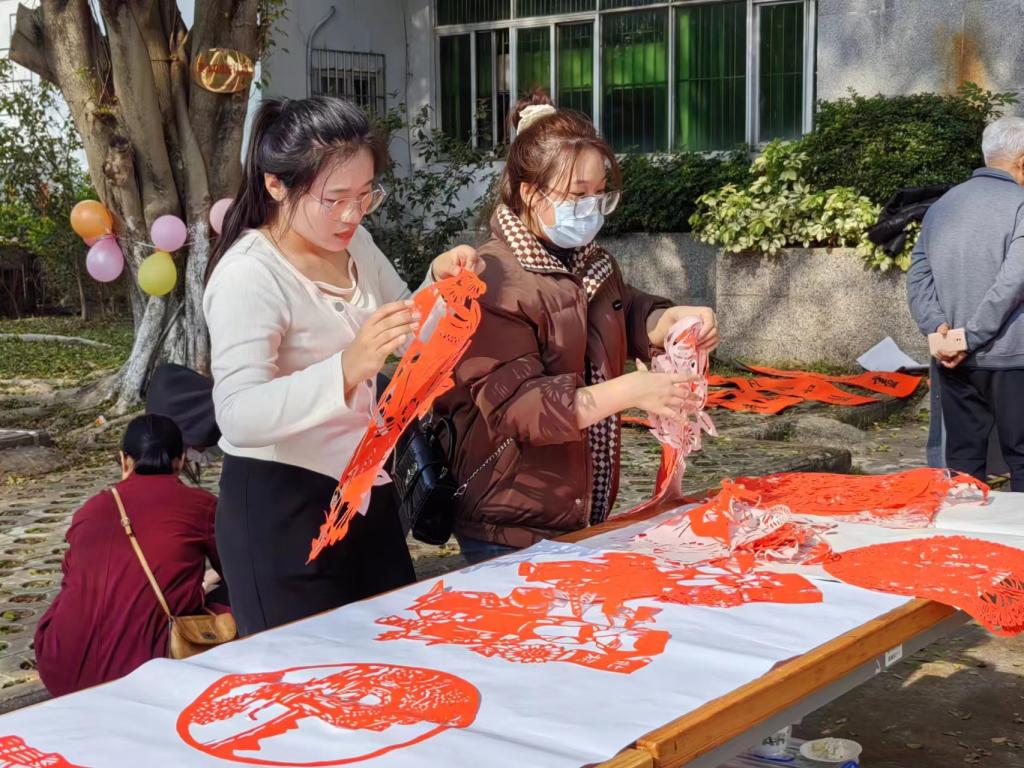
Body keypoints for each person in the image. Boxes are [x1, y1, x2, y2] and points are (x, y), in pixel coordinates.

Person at [203, 96, 480, 635]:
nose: (353, 214)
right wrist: (347, 369)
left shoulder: (356, 245)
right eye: (334, 200)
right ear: (276, 185)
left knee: (392, 652)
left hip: (367, 489)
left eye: (365, 195)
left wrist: (439, 285)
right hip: (283, 506)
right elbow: (237, 413)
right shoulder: (249, 274)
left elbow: (406, 330)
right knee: (308, 671)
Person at [434, 92, 719, 564]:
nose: (591, 207)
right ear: (530, 193)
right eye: (577, 194)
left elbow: (622, 313)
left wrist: (665, 321)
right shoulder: (492, 279)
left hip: (578, 509)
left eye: (599, 193)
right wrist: (630, 391)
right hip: (509, 516)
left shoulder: (593, 263)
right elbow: (518, 408)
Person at [34, 415, 223, 697]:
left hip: (61, 664)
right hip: (140, 668)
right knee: (230, 602)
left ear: (124, 460)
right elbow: (237, 571)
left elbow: (73, 577)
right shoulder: (202, 505)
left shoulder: (90, 509)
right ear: (180, 461)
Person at [907, 115, 1024, 491]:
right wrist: (971, 337)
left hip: (953, 357)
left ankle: (966, 527)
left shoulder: (943, 205)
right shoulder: (1021, 205)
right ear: (1022, 161)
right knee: (1021, 458)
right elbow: (1014, 281)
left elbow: (918, 276)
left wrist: (939, 329)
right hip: (1013, 358)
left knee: (963, 462)